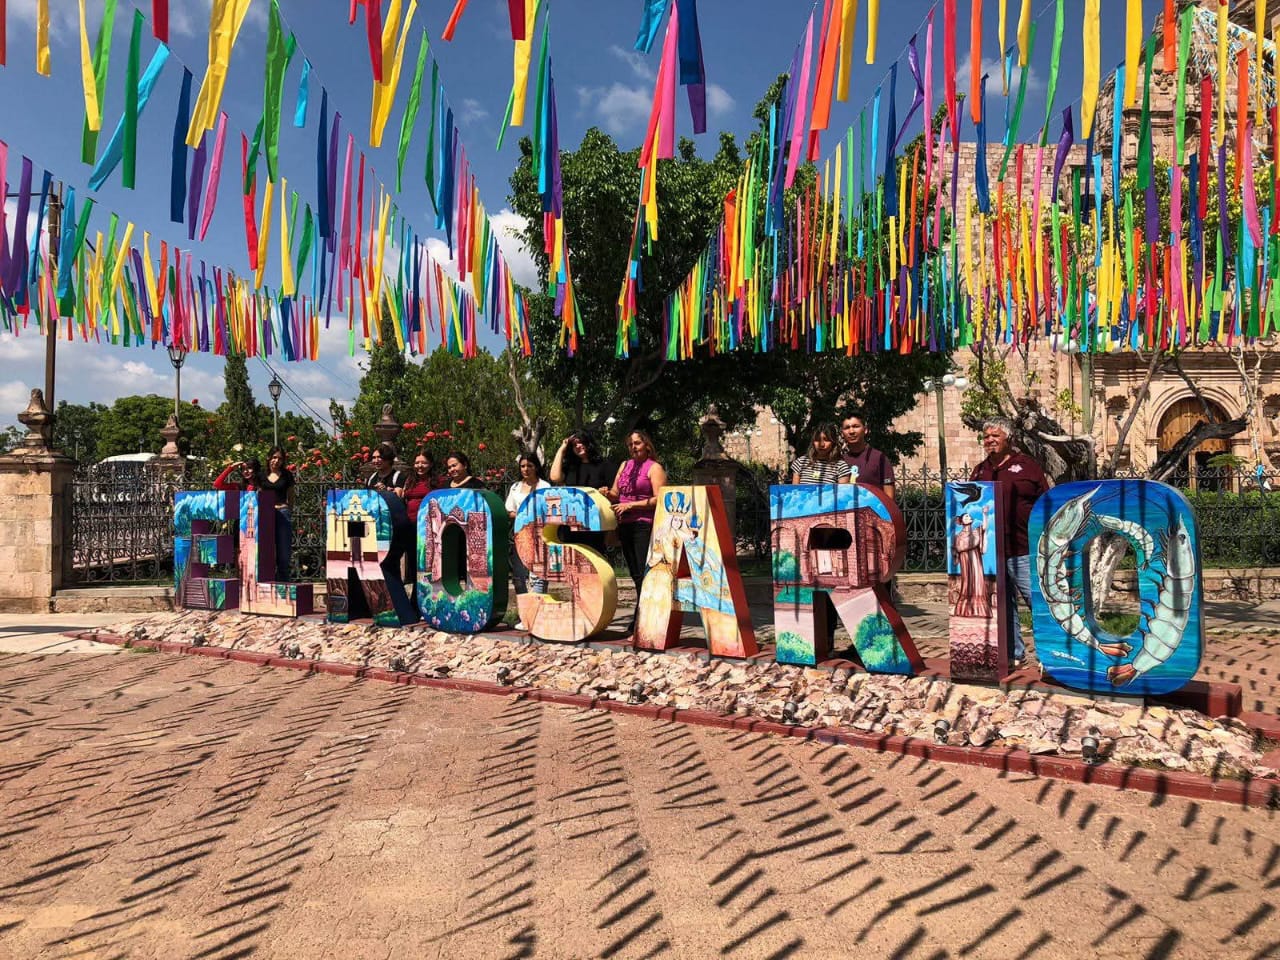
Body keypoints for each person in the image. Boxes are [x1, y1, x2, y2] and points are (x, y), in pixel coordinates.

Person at [969, 417, 1050, 668]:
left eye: (995, 435)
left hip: (1024, 549)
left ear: (1008, 438)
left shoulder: (1027, 467)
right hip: (992, 552)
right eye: (986, 437)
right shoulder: (980, 471)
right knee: (1003, 606)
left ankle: (1049, 656)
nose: (990, 440)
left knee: (1038, 603)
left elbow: (1046, 503)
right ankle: (1014, 653)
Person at [609, 430, 667, 629]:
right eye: (630, 444)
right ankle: (643, 616)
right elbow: (616, 492)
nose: (633, 447)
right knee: (634, 573)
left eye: (637, 443)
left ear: (646, 445)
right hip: (625, 523)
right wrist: (607, 493)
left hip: (644, 523)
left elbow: (660, 499)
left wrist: (631, 505)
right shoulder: (624, 465)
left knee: (643, 572)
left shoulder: (654, 468)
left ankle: (642, 619)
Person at [506, 454, 550, 624]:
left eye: (529, 466)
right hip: (520, 535)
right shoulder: (515, 487)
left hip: (539, 536)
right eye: (523, 466)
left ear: (536, 467)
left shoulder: (544, 486)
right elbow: (509, 510)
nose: (526, 469)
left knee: (537, 575)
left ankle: (537, 616)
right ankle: (524, 615)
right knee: (519, 576)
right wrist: (521, 514)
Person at [257, 446, 295, 581]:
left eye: (280, 458)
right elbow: (258, 494)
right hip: (266, 515)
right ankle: (266, 580)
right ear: (269, 458)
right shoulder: (261, 476)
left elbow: (291, 496)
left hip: (282, 513)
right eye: (274, 457)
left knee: (283, 549)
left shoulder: (287, 475)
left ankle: (283, 581)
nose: (276, 461)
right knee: (265, 549)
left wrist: (288, 509)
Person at [840, 412, 895, 498]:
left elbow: (889, 498)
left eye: (856, 426)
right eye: (847, 428)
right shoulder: (840, 460)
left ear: (865, 430)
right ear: (842, 433)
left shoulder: (879, 458)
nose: (851, 431)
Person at [550, 430, 616, 493]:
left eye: (580, 442)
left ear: (587, 442)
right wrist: (561, 450)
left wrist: (606, 492)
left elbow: (614, 493)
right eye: (574, 445)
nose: (577, 446)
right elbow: (555, 478)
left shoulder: (605, 465)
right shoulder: (571, 466)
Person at [404, 450, 436, 527]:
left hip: (427, 524)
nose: (420, 465)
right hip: (409, 522)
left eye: (424, 463)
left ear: (431, 464)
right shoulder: (410, 480)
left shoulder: (438, 482)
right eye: (417, 463)